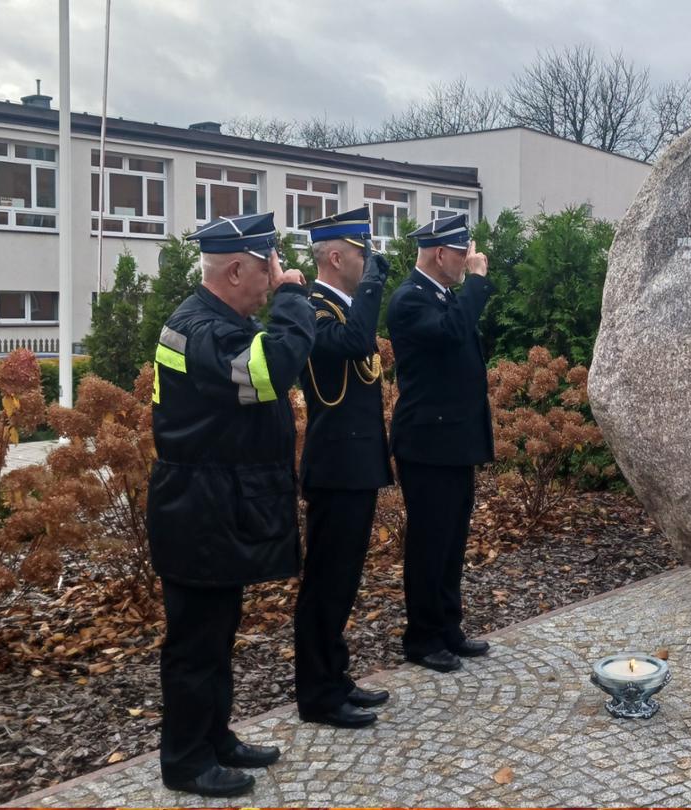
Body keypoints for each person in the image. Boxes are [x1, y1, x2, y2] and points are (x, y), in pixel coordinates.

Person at [146, 210, 311, 798]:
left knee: (216, 633)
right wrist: (294, 301)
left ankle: (214, 737)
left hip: (209, 504)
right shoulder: (203, 330)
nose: (274, 276)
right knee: (195, 642)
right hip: (198, 509)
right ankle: (188, 761)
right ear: (237, 269)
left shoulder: (213, 323)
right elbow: (270, 371)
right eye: (268, 267)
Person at [291, 207, 393, 728]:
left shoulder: (343, 308)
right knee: (325, 584)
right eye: (363, 253)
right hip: (334, 469)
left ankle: (336, 677)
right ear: (336, 256)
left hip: (355, 465)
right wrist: (374, 286)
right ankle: (317, 694)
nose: (371, 262)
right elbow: (355, 344)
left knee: (344, 582)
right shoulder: (314, 310)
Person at [385, 212, 493, 673]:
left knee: (451, 540)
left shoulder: (442, 295)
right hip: (428, 443)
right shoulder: (411, 299)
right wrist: (477, 284)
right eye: (461, 252)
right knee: (430, 542)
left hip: (454, 439)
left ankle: (449, 626)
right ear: (439, 254)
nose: (468, 258)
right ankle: (423, 637)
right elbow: (450, 334)